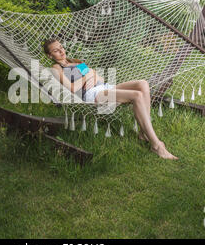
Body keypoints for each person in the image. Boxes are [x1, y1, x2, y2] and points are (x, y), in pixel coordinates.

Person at [43, 38, 178, 160]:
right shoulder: (56, 68)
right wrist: (88, 76)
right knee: (137, 96)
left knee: (143, 83)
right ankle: (156, 145)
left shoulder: (76, 62)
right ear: (50, 55)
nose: (61, 51)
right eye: (56, 50)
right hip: (92, 94)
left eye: (61, 47)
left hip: (105, 87)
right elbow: (72, 88)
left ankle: (143, 133)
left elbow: (100, 78)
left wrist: (92, 75)